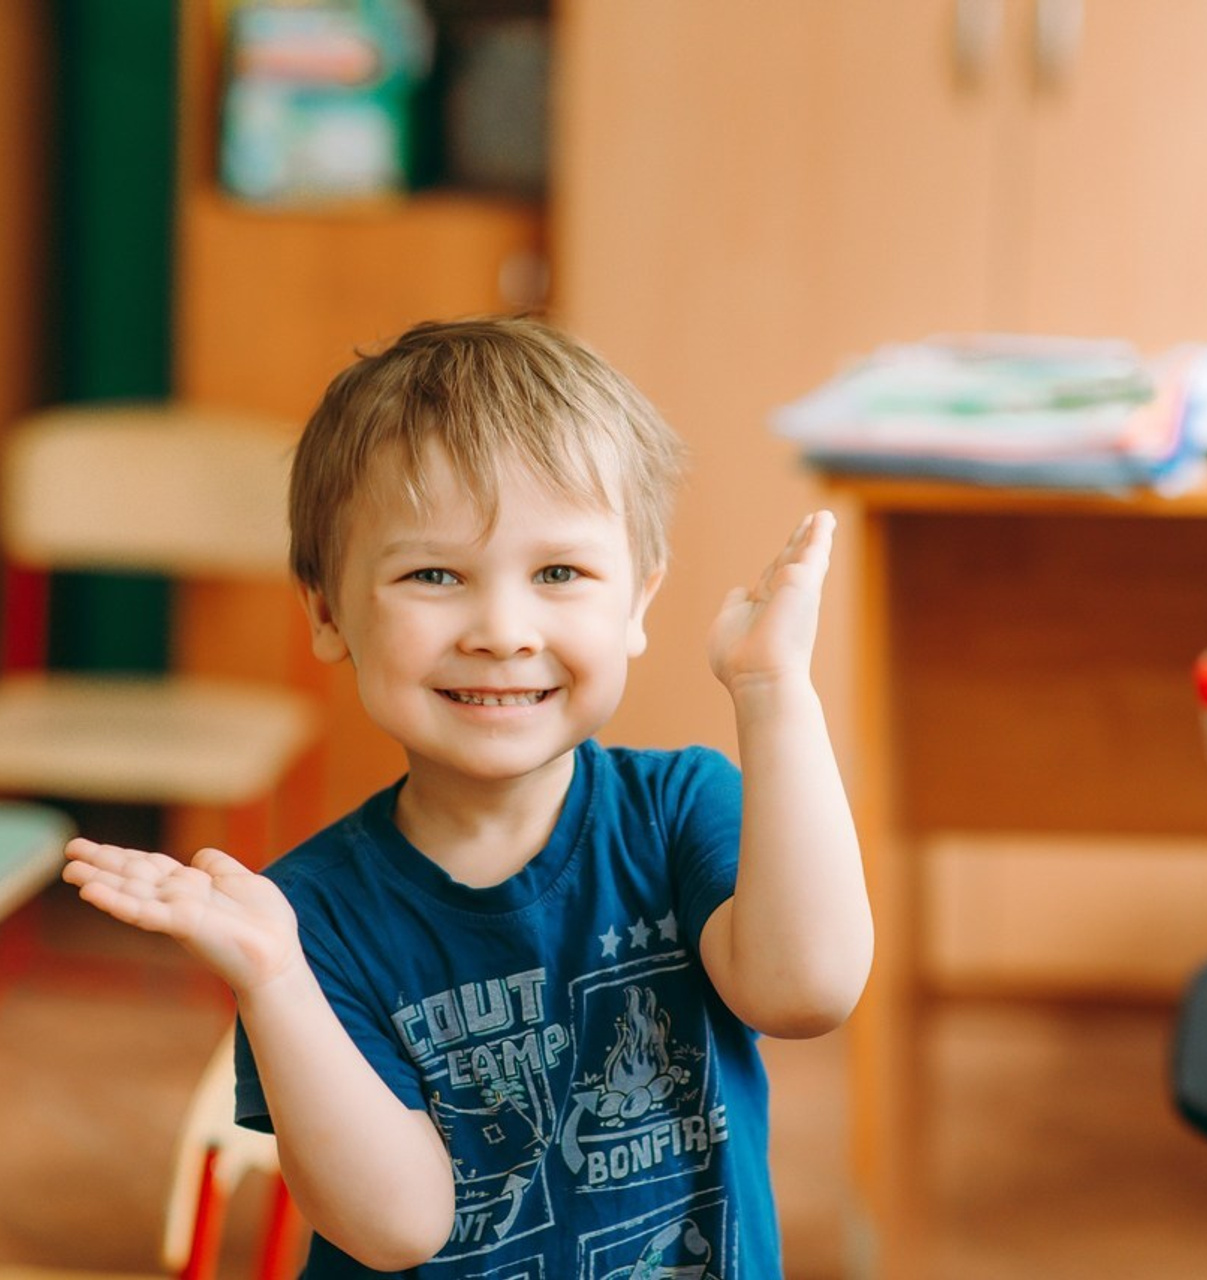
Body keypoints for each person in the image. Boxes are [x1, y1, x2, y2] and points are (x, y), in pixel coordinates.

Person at [63, 316, 873, 1278]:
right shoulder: (306, 919)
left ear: (637, 602)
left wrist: (772, 690)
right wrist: (274, 980)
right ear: (327, 610)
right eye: (435, 574)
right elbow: (398, 1225)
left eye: (559, 572)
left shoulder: (679, 809)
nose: (502, 629)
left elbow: (807, 990)